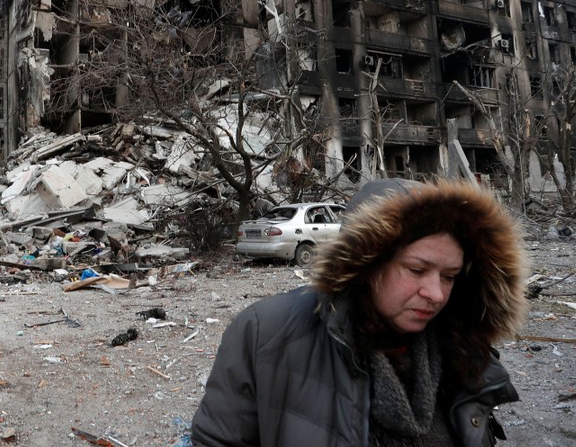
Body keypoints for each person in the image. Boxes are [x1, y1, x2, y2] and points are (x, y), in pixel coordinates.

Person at [192, 179, 528, 446]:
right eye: (416, 270)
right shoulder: (266, 332)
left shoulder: (461, 348)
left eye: (449, 276)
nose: (436, 293)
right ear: (367, 264)